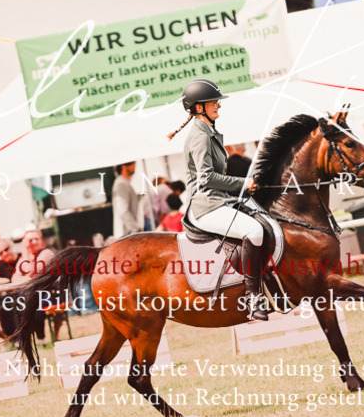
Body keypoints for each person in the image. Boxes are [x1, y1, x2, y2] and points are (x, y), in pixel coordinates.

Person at [166, 78, 270, 320]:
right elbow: (206, 178)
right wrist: (242, 183)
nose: (218, 107)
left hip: (218, 200)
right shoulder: (199, 136)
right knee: (254, 231)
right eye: (214, 103)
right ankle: (253, 296)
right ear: (199, 107)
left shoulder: (208, 131)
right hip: (206, 206)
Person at [112, 161, 142, 238]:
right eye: (132, 163)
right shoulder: (121, 184)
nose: (135, 165)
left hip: (128, 234)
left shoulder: (123, 183)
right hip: (127, 235)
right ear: (123, 166)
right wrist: (136, 229)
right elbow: (123, 210)